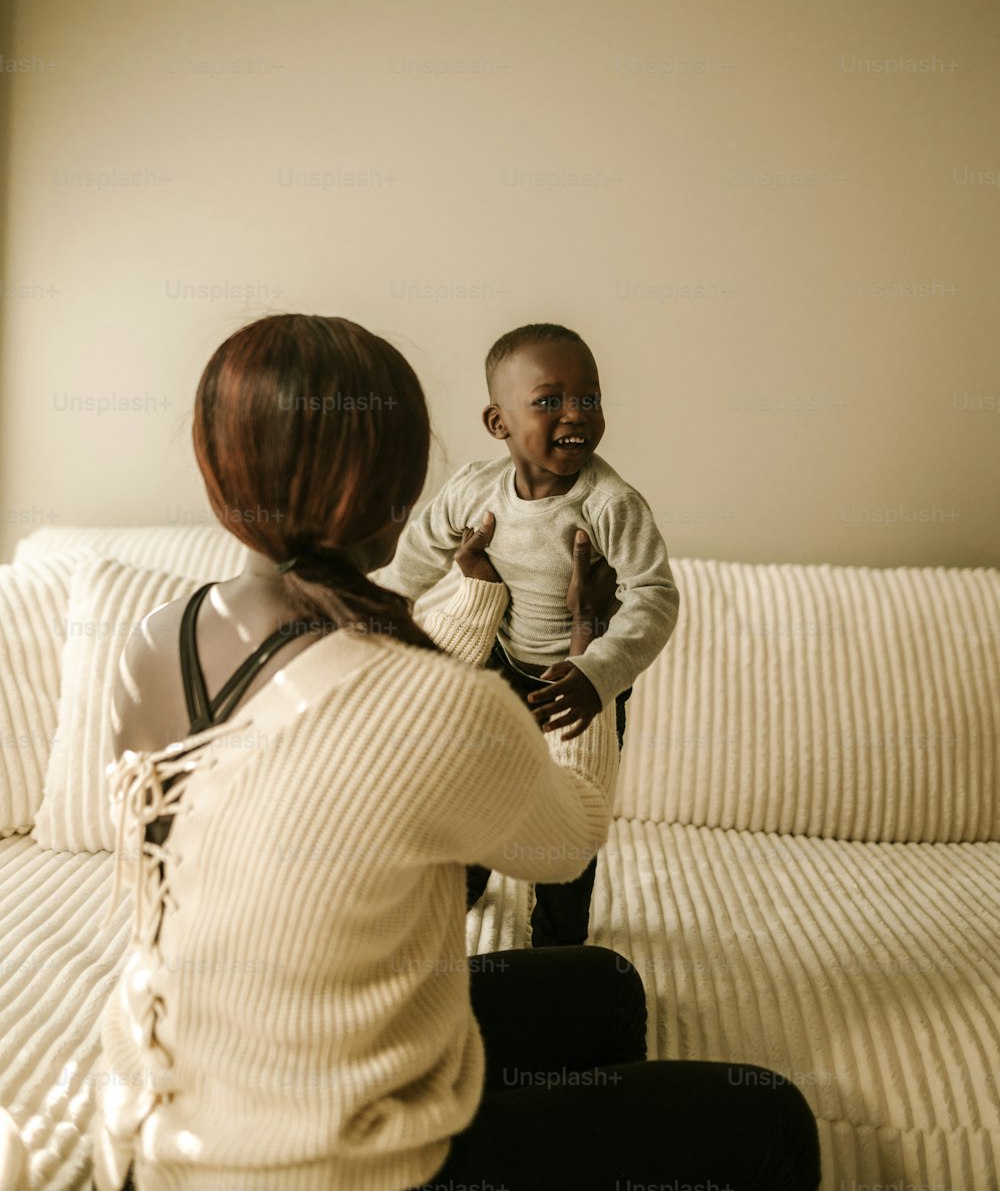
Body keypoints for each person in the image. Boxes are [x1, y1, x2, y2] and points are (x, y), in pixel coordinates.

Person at [91, 312, 820, 1191]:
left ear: (218, 471)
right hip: (330, 1168)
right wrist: (591, 654)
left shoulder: (153, 638)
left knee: (608, 986)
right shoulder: (431, 700)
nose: (572, 414)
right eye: (547, 400)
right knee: (772, 1117)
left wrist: (496, 623)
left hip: (156, 1115)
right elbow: (575, 832)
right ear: (404, 494)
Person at [374, 321, 679, 946]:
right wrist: (378, 613)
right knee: (479, 779)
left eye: (589, 399)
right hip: (505, 662)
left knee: (569, 809)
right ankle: (465, 881)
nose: (576, 415)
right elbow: (418, 551)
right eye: (549, 401)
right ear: (498, 423)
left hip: (580, 677)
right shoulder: (474, 490)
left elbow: (656, 595)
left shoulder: (609, 503)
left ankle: (558, 940)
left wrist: (601, 671)